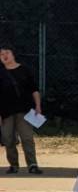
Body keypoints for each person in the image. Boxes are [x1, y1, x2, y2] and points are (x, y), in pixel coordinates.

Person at [0, 44, 42, 174]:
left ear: (13, 54)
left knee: (27, 137)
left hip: (25, 110)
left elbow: (34, 89)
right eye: (1, 54)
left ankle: (32, 164)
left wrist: (38, 106)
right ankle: (14, 165)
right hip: (6, 112)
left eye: (7, 52)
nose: (4, 55)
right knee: (8, 139)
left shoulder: (25, 70)